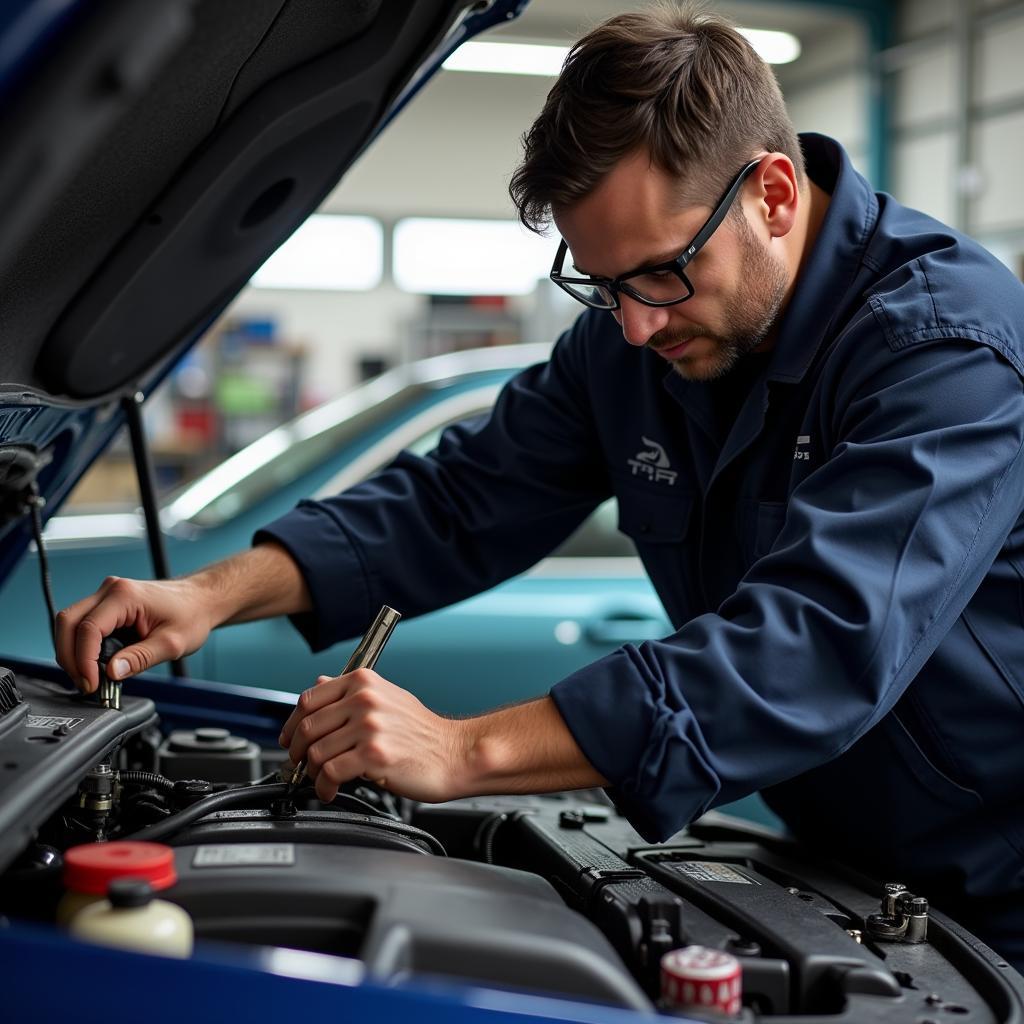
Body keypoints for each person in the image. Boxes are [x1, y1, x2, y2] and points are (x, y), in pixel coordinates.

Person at [57, 4, 1024, 968]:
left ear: (773, 194)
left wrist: (463, 749)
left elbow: (815, 644)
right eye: (602, 287)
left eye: (659, 274)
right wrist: (207, 594)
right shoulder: (635, 339)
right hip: (844, 875)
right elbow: (458, 498)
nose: (636, 328)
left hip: (1005, 892)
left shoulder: (943, 349)